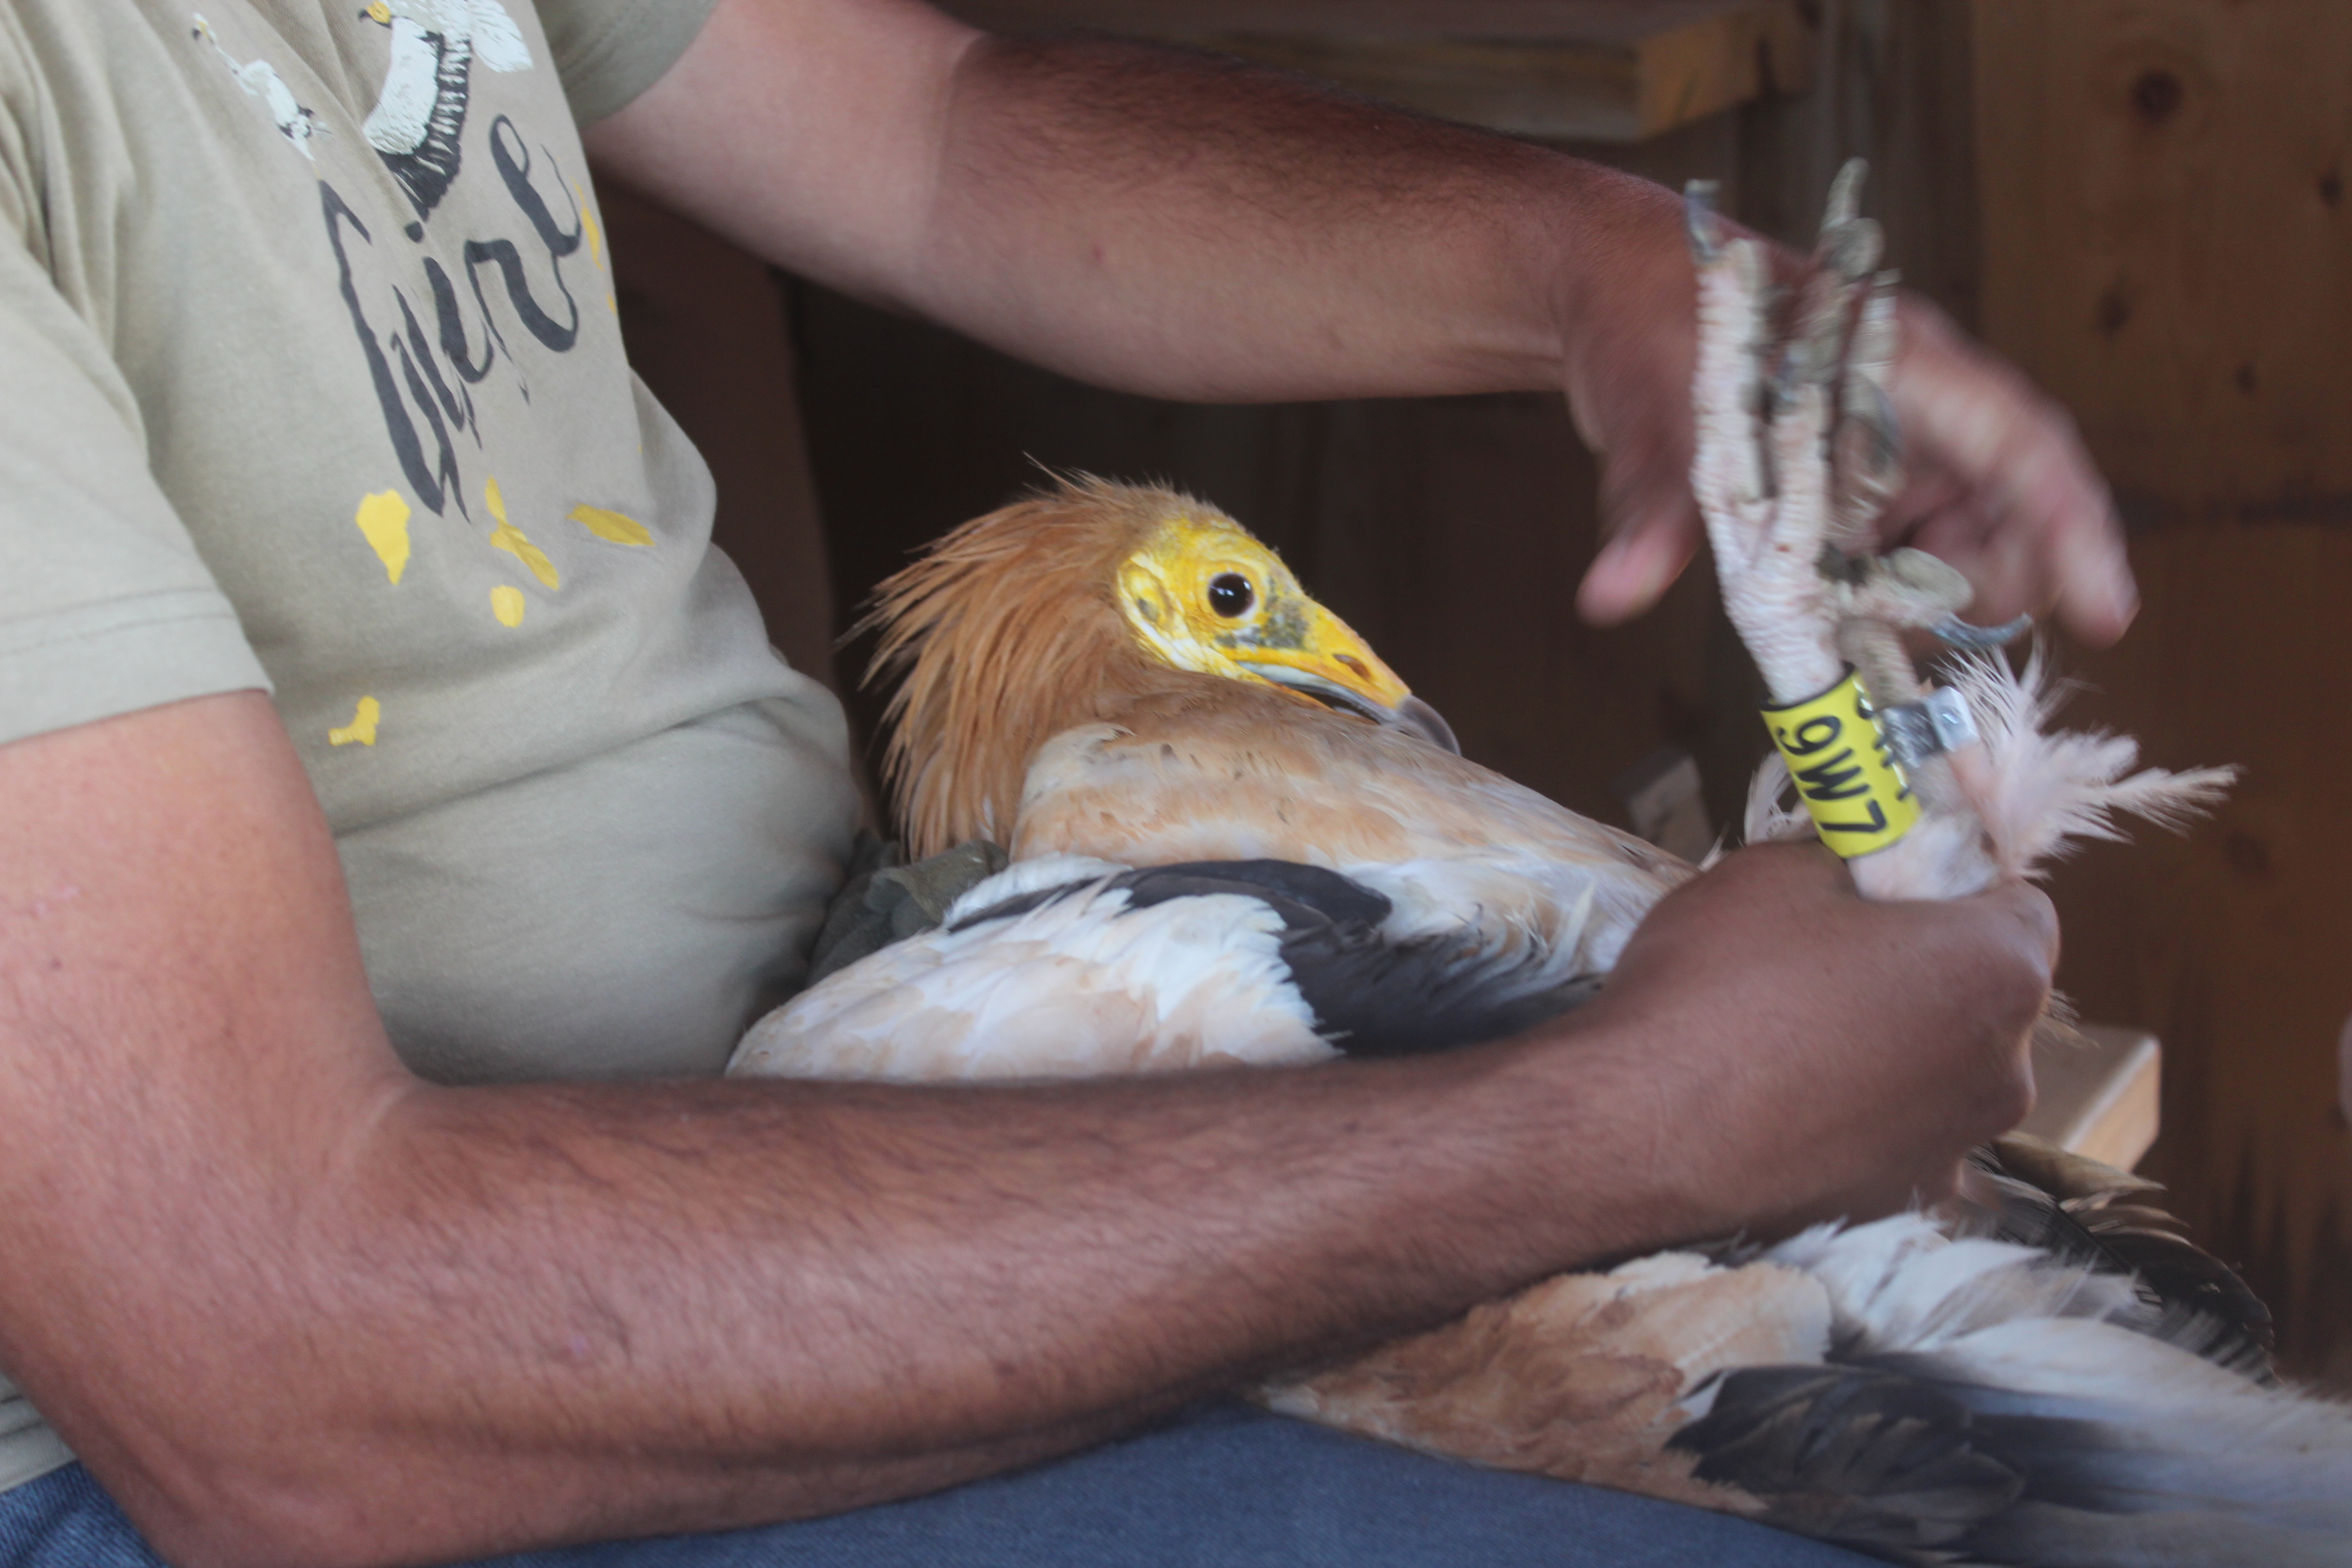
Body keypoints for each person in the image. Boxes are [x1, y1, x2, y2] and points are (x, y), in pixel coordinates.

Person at [0, 1, 2109, 1563]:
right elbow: (276, 1363)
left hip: (816, 1066)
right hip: (387, 1406)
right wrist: (1647, 1125)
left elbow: (924, 136)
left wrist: (1612, 271)